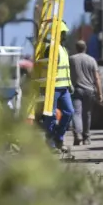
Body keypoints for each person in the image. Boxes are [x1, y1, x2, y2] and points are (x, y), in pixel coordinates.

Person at [39, 21, 74, 152]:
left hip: (64, 87)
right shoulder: (51, 49)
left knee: (69, 112)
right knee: (51, 115)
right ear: (58, 34)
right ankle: (51, 143)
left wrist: (70, 84)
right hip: (52, 87)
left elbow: (66, 69)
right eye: (63, 33)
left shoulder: (63, 49)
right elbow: (46, 68)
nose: (65, 35)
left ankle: (58, 137)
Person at [69, 39, 103, 146]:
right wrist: (100, 93)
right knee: (87, 114)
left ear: (76, 48)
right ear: (85, 48)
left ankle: (77, 135)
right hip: (89, 90)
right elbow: (97, 78)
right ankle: (86, 137)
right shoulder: (92, 60)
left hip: (76, 89)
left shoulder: (71, 59)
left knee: (76, 113)